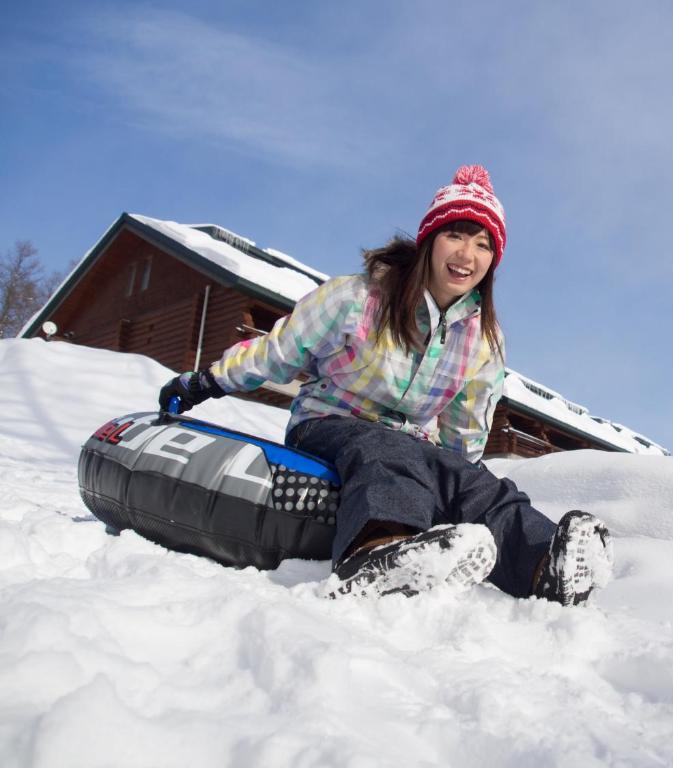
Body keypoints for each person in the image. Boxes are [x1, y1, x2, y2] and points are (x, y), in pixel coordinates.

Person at [158, 165, 612, 604]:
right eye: (455, 235)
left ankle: (545, 567)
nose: (467, 256)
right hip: (327, 425)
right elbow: (279, 351)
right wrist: (205, 382)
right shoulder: (356, 298)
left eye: (482, 245)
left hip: (413, 443)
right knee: (387, 451)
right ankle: (379, 553)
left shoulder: (482, 338)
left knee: (479, 483)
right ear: (429, 241)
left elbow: (466, 423)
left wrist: (457, 479)